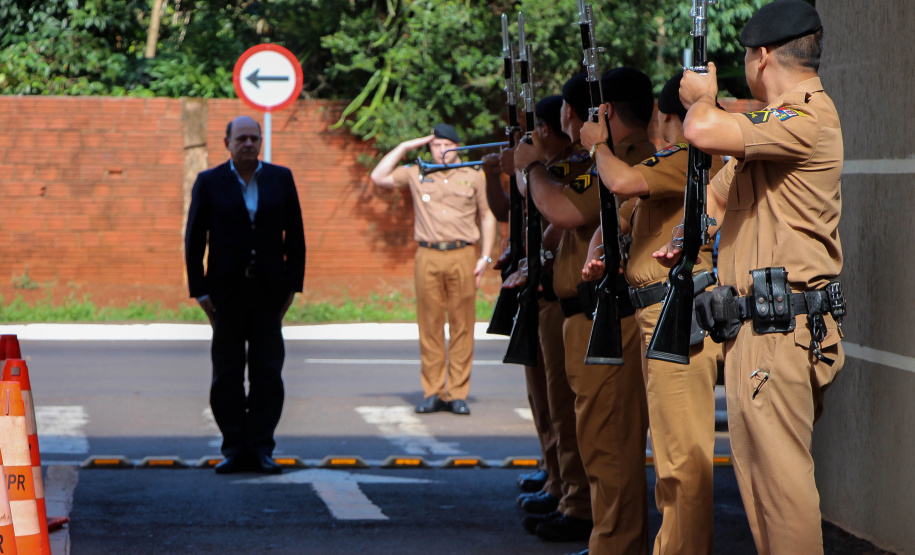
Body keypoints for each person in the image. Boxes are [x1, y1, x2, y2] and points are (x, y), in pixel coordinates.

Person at [655, 1, 845, 553]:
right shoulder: (768, 128)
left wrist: (701, 98)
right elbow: (719, 199)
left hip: (779, 331)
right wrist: (686, 237)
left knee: (782, 497)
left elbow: (701, 127)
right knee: (762, 496)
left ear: (761, 57)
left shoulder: (805, 117)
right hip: (755, 330)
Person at [581, 73, 724, 555]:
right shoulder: (674, 163)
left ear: (665, 118)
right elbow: (620, 213)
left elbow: (621, 180)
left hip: (675, 310)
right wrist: (600, 251)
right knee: (670, 457)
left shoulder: (691, 156)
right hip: (656, 313)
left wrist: (597, 145)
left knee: (682, 462)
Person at [515, 68, 656, 553]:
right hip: (586, 314)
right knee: (596, 436)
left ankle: (615, 544)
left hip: (608, 315)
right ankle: (608, 538)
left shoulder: (626, 159)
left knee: (609, 440)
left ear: (605, 111)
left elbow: (565, 210)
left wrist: (533, 168)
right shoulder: (612, 158)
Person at [485, 96, 592, 526]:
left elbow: (551, 209)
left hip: (561, 295)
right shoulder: (549, 167)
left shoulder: (575, 163)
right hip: (544, 294)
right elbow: (512, 208)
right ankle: (557, 477)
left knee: (563, 405)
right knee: (545, 399)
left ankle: (571, 493)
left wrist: (525, 167)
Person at [185, 115, 306, 474]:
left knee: (268, 374)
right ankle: (235, 448)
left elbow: (295, 236)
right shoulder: (209, 182)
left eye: (254, 138)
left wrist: (292, 287)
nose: (248, 144)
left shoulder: (280, 179)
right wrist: (200, 292)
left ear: (261, 142)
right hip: (226, 294)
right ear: (228, 143)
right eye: (241, 139)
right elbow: (194, 240)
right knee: (227, 375)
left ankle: (261, 448)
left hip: (269, 293)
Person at [370, 123, 497, 416]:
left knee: (462, 325)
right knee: (429, 326)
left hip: (463, 253)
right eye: (436, 145)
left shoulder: (472, 174)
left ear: (458, 147)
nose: (441, 151)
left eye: (447, 146)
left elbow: (486, 214)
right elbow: (378, 176)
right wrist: (405, 146)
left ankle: (457, 394)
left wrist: (485, 257)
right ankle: (433, 392)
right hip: (427, 254)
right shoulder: (418, 172)